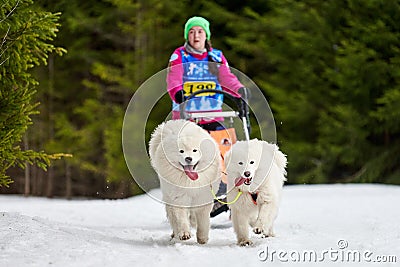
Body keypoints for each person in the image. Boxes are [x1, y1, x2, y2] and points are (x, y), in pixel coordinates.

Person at [166, 16, 246, 217]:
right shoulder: (179, 56)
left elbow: (227, 78)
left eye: (200, 31)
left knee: (224, 153)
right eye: (191, 32)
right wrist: (178, 92)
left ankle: (222, 194)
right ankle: (189, 202)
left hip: (213, 115)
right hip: (187, 118)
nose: (196, 35)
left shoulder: (216, 57)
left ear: (206, 35)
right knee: (193, 158)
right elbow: (173, 78)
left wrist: (240, 91)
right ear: (187, 35)